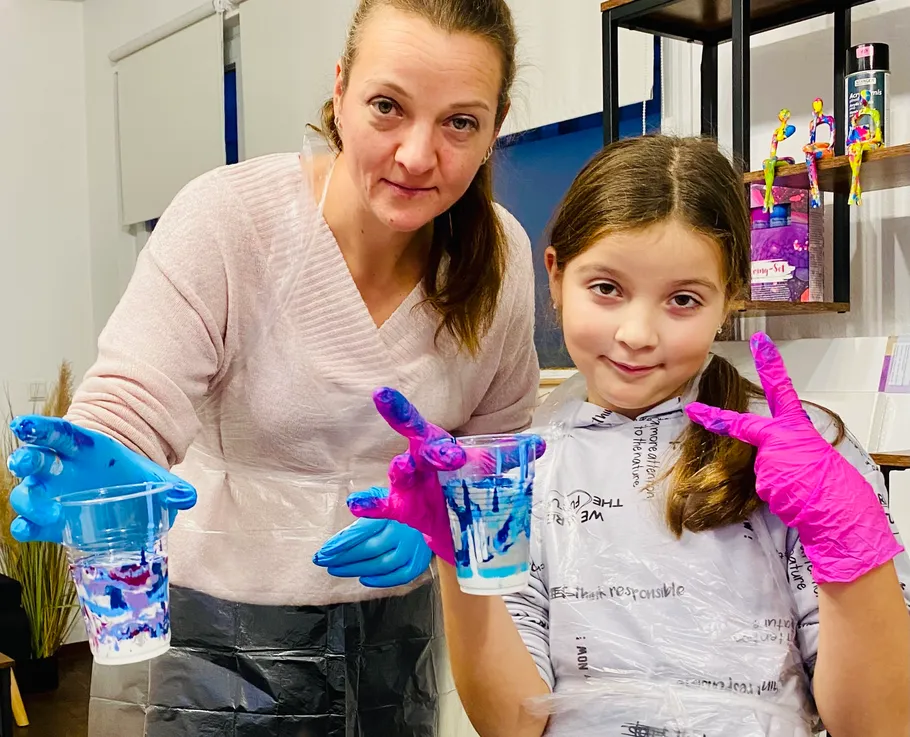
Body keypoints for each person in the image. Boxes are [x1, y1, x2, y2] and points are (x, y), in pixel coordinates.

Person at [5, 1, 538, 734]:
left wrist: (442, 512)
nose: (418, 155)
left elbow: (491, 457)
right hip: (213, 643)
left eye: (460, 123)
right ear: (342, 89)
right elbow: (132, 400)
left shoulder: (499, 259)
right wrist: (102, 461)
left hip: (398, 640)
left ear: (496, 124)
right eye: (388, 106)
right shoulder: (231, 220)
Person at [344, 136, 910, 736]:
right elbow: (512, 726)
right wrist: (465, 566)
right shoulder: (516, 467)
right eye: (607, 288)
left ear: (731, 300)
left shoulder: (799, 456)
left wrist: (851, 551)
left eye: (683, 299)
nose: (637, 333)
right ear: (556, 276)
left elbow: (881, 725)